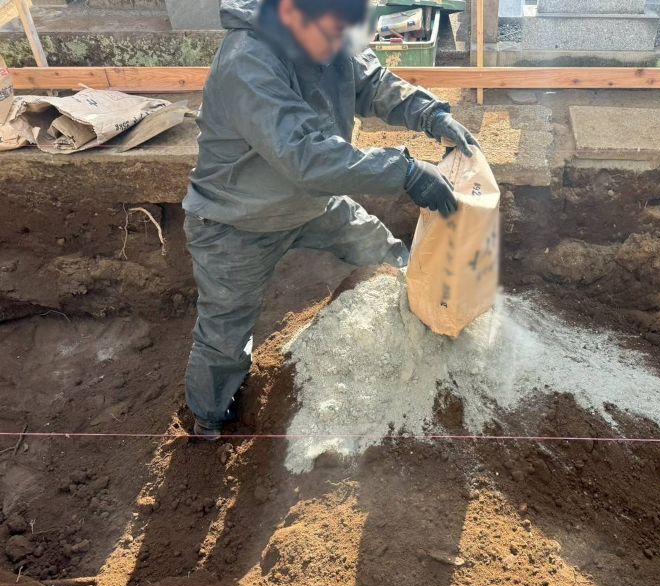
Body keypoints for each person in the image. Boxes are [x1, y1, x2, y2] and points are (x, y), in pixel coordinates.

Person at [182, 0, 479, 439]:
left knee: (385, 254)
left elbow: (372, 81)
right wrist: (406, 172)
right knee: (225, 334)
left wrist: (430, 114)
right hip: (237, 220)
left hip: (312, 202)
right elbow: (306, 155)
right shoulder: (248, 61)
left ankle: (422, 332)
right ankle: (209, 419)